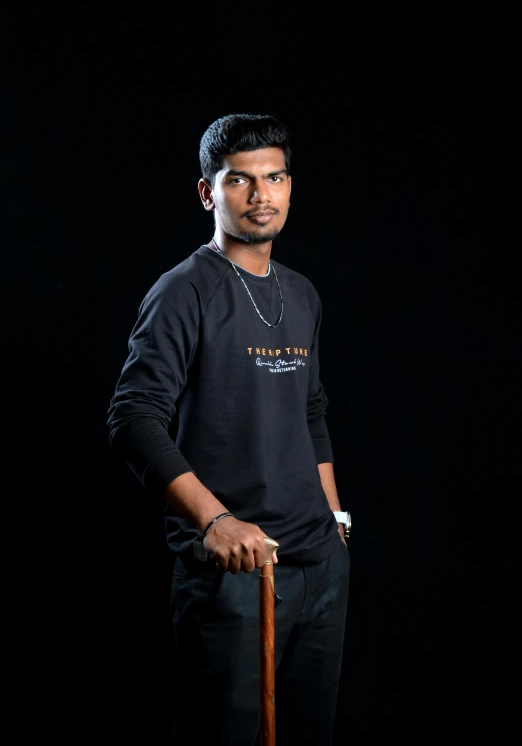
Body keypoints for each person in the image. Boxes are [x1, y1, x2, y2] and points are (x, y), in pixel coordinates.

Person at [108, 113, 351, 745]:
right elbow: (133, 416)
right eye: (240, 180)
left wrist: (334, 519)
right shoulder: (183, 291)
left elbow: (311, 410)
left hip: (320, 565)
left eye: (273, 178)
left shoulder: (302, 295)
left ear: (291, 186)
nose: (260, 195)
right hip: (235, 576)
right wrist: (215, 522)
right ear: (208, 192)